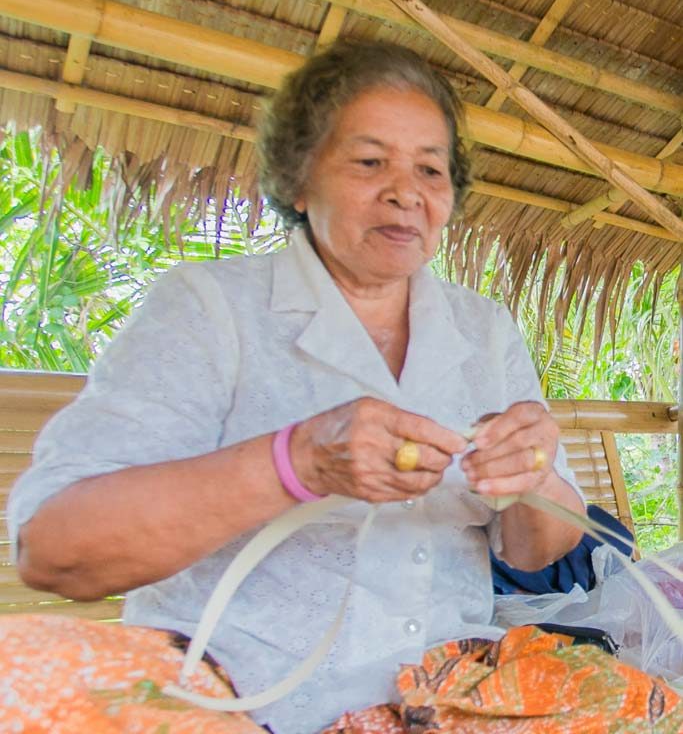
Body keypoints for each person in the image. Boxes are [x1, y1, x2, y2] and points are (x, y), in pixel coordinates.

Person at [6, 41, 666, 734]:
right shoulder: (210, 308)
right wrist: (297, 461)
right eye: (369, 161)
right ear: (297, 179)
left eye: (430, 169)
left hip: (442, 695)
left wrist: (531, 477)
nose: (404, 191)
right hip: (231, 692)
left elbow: (538, 551)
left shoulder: (484, 331)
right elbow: (55, 552)